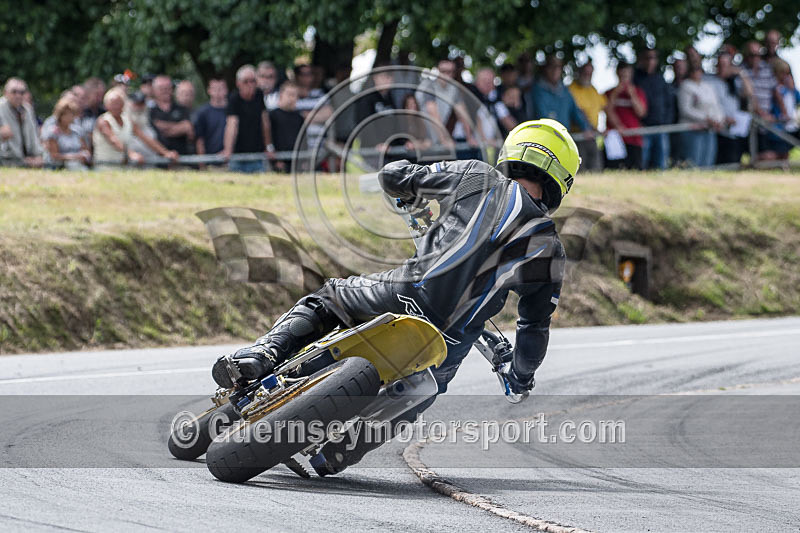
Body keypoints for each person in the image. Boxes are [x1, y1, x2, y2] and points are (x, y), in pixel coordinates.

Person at [211, 118, 578, 474]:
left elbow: (394, 176)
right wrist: (520, 376)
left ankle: (263, 353)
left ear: (513, 151)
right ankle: (345, 450)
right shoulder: (551, 250)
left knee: (330, 298)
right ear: (561, 179)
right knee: (430, 388)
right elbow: (533, 329)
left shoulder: (478, 175)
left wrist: (404, 180)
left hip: (406, 293)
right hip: (450, 341)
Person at [92, 88, 178, 170]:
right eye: (113, 103)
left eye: (118, 103)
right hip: (105, 166)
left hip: (122, 168)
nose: (116, 106)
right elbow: (114, 141)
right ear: (106, 105)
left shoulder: (127, 120)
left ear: (123, 104)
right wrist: (131, 154)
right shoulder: (103, 121)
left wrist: (165, 153)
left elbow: (145, 138)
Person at [528, 56, 593, 142]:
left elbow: (576, 112)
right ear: (545, 69)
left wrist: (586, 128)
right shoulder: (537, 90)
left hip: (563, 139)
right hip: (543, 139)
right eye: (551, 67)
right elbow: (541, 115)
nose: (555, 70)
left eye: (558, 67)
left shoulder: (565, 91)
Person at [222, 64, 273, 173]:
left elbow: (265, 122)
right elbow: (232, 125)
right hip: (238, 154)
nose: (250, 85)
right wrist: (228, 150)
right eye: (246, 81)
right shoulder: (234, 99)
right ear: (238, 83)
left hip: (257, 153)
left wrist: (268, 147)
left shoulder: (259, 96)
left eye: (253, 81)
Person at [707, 52, 752, 164]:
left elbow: (749, 93)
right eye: (721, 64)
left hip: (734, 131)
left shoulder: (734, 82)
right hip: (717, 130)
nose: (723, 68)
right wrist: (723, 118)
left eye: (726, 65)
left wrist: (741, 74)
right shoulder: (709, 81)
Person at [634, 49, 674, 170]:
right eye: (648, 57)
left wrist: (666, 122)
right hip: (643, 128)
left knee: (661, 164)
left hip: (661, 127)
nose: (650, 61)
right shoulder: (635, 79)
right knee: (643, 163)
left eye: (653, 58)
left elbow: (669, 103)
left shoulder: (660, 79)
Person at [678, 66, 725, 167]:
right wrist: (706, 118)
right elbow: (686, 109)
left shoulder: (708, 86)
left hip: (709, 129)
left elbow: (716, 106)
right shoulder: (686, 86)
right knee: (694, 162)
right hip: (693, 130)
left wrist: (718, 120)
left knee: (708, 161)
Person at [604, 63, 648, 169]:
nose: (624, 79)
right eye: (621, 75)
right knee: (615, 170)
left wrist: (632, 95)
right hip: (615, 139)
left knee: (636, 170)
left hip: (634, 138)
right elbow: (607, 110)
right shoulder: (609, 92)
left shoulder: (638, 92)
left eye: (626, 75)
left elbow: (641, 113)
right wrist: (615, 94)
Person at [741, 41, 779, 159]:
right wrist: (761, 114)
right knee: (762, 156)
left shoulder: (767, 69)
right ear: (746, 56)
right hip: (751, 122)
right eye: (752, 55)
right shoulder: (741, 71)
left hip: (767, 121)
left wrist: (781, 112)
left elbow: (776, 91)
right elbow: (748, 96)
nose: (755, 58)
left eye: (758, 55)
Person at [568, 60, 606, 171]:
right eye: (585, 72)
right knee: (580, 170)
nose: (587, 76)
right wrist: (590, 128)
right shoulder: (571, 89)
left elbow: (605, 107)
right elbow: (578, 113)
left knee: (596, 168)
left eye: (590, 73)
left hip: (592, 136)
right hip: (578, 137)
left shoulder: (593, 90)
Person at [0, 78, 43, 167]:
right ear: (5, 93)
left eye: (22, 92)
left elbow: (33, 135)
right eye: (14, 92)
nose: (18, 95)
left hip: (26, 158)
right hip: (6, 159)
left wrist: (37, 155)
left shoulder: (27, 109)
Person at [41, 96, 91, 170]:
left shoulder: (77, 131)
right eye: (67, 114)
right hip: (58, 167)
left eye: (72, 114)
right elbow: (54, 155)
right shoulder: (53, 132)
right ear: (60, 115)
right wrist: (75, 157)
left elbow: (85, 149)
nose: (70, 117)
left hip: (77, 166)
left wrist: (85, 156)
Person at [150, 75, 194, 155]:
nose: (165, 91)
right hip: (158, 160)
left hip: (183, 159)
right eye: (161, 88)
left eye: (167, 87)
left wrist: (162, 128)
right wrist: (178, 127)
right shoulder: (149, 110)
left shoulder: (182, 108)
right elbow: (150, 132)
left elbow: (188, 128)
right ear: (154, 90)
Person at [766, 58, 800, 160]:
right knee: (781, 152)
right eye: (783, 73)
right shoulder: (775, 89)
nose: (785, 77)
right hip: (780, 128)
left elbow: (798, 99)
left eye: (787, 73)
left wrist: (793, 89)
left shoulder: (791, 90)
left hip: (792, 126)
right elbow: (780, 106)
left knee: (785, 151)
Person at [268, 82, 305, 172]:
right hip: (278, 161)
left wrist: (304, 160)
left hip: (296, 162)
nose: (292, 98)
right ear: (281, 95)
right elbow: (269, 139)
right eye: (289, 94)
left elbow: (303, 141)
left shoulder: (299, 118)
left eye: (295, 95)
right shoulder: (272, 116)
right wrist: (275, 160)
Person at [194, 78, 229, 159]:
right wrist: (202, 163)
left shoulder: (233, 110)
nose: (218, 92)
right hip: (211, 161)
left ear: (226, 90)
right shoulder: (202, 113)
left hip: (232, 161)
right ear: (209, 90)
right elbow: (200, 140)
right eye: (215, 89)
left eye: (221, 88)